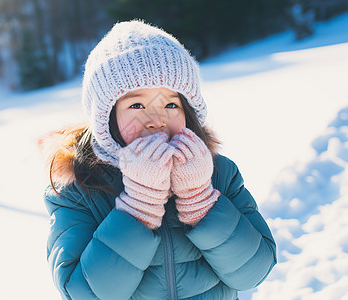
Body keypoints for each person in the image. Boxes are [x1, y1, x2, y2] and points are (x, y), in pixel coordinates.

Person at [39, 20, 276, 300]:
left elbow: (253, 273)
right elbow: (82, 293)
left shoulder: (218, 172)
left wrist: (201, 200)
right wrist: (139, 206)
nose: (156, 120)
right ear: (106, 118)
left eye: (171, 104)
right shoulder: (79, 189)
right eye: (136, 105)